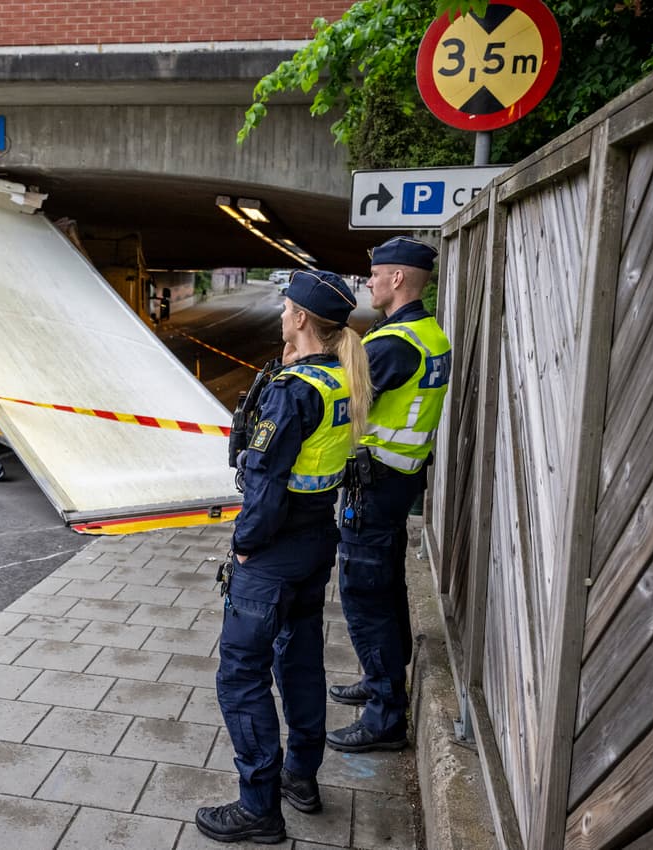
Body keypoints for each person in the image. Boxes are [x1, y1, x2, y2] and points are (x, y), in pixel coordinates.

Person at [196, 270, 372, 844]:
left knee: (240, 676)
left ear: (299, 318)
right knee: (299, 662)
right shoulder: (343, 379)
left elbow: (266, 483)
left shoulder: (293, 390)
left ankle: (258, 807)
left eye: (285, 308)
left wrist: (244, 546)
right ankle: (301, 778)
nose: (280, 316)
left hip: (273, 549)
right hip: (316, 540)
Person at [327, 236, 452, 754]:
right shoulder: (428, 333)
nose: (369, 282)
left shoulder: (393, 344)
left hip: (374, 484)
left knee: (366, 595)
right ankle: (384, 678)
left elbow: (337, 405)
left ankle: (385, 716)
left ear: (397, 279)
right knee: (386, 583)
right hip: (400, 480)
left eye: (375, 275)